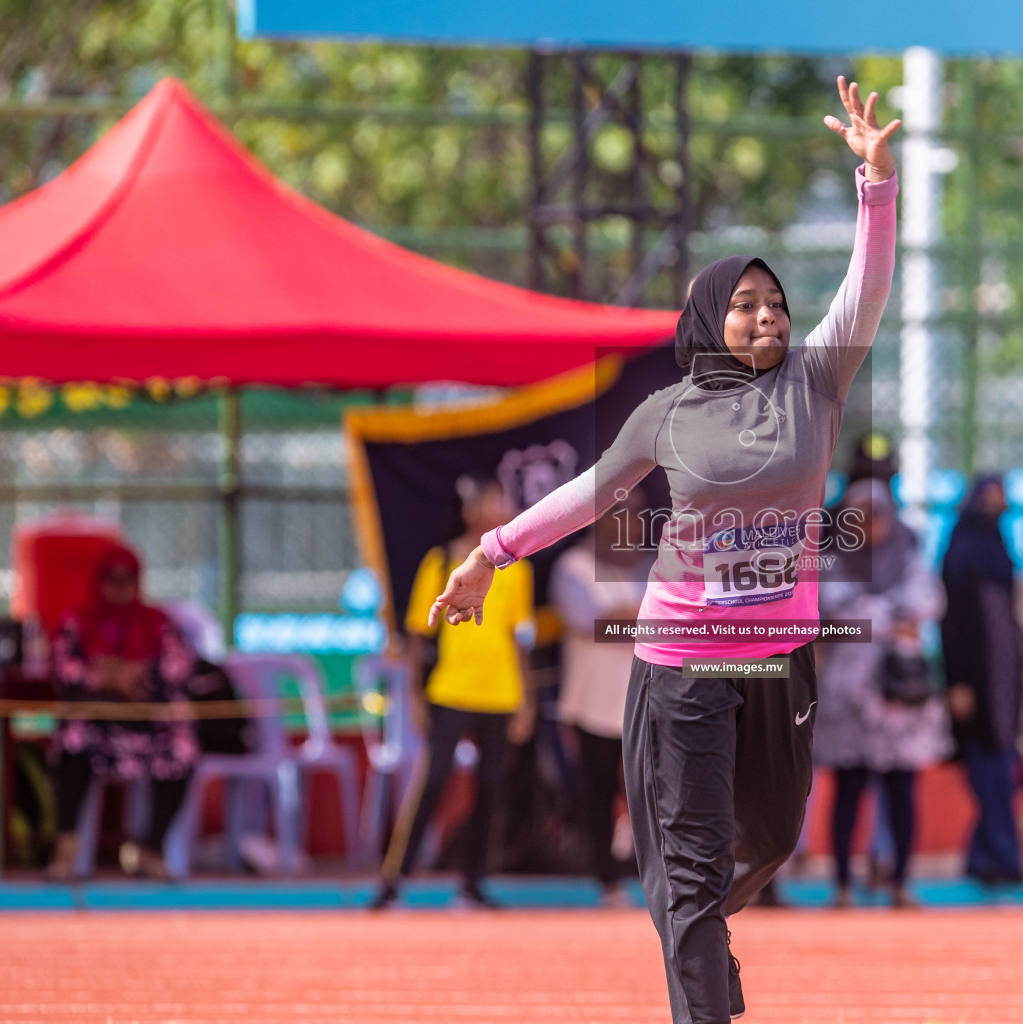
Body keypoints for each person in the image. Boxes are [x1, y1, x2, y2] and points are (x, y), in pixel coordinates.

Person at [428, 77, 898, 1024]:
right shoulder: (665, 415)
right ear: (707, 319)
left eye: (775, 303)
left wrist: (874, 182)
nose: (768, 316)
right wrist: (491, 553)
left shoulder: (817, 383)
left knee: (765, 837)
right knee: (688, 859)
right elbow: (584, 497)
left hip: (778, 660)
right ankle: (700, 997)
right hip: (684, 662)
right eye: (745, 304)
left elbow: (868, 285)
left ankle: (701, 949)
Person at [372, 475, 537, 909]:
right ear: (470, 510)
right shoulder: (442, 560)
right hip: (451, 689)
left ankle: (473, 883)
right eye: (493, 498)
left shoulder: (519, 568)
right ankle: (395, 880)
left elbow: (521, 641)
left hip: (501, 693)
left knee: (490, 787)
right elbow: (414, 636)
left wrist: (527, 701)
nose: (502, 506)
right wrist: (413, 696)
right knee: (434, 781)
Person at [814, 478, 947, 908]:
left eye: (876, 515)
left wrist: (864, 618)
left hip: (898, 697)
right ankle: (842, 885)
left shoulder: (908, 560)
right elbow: (828, 611)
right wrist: (888, 618)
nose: (869, 524)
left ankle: (900, 882)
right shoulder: (830, 562)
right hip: (847, 697)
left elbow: (926, 603)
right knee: (848, 791)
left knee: (901, 790)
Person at [46, 545, 198, 881]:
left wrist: (137, 674)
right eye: (111, 580)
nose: (119, 587)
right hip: (97, 722)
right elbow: (63, 670)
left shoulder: (156, 621)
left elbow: (181, 667)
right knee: (73, 741)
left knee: (181, 747)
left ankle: (152, 849)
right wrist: (106, 677)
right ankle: (66, 849)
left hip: (144, 723)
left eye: (126, 579)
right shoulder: (78, 620)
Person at [550, 488, 653, 906]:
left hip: (645, 699)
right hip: (592, 701)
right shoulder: (572, 566)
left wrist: (624, 617)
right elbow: (589, 622)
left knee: (649, 792)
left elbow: (671, 622)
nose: (629, 525)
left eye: (636, 517)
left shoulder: (653, 567)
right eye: (620, 516)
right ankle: (605, 880)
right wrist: (634, 616)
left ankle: (655, 878)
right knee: (596, 790)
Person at [942, 474, 1023, 887]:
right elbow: (953, 623)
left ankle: (986, 855)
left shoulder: (1000, 551)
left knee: (1002, 768)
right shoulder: (960, 552)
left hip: (1004, 679)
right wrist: (957, 681)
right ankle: (1003, 855)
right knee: (987, 769)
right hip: (975, 681)